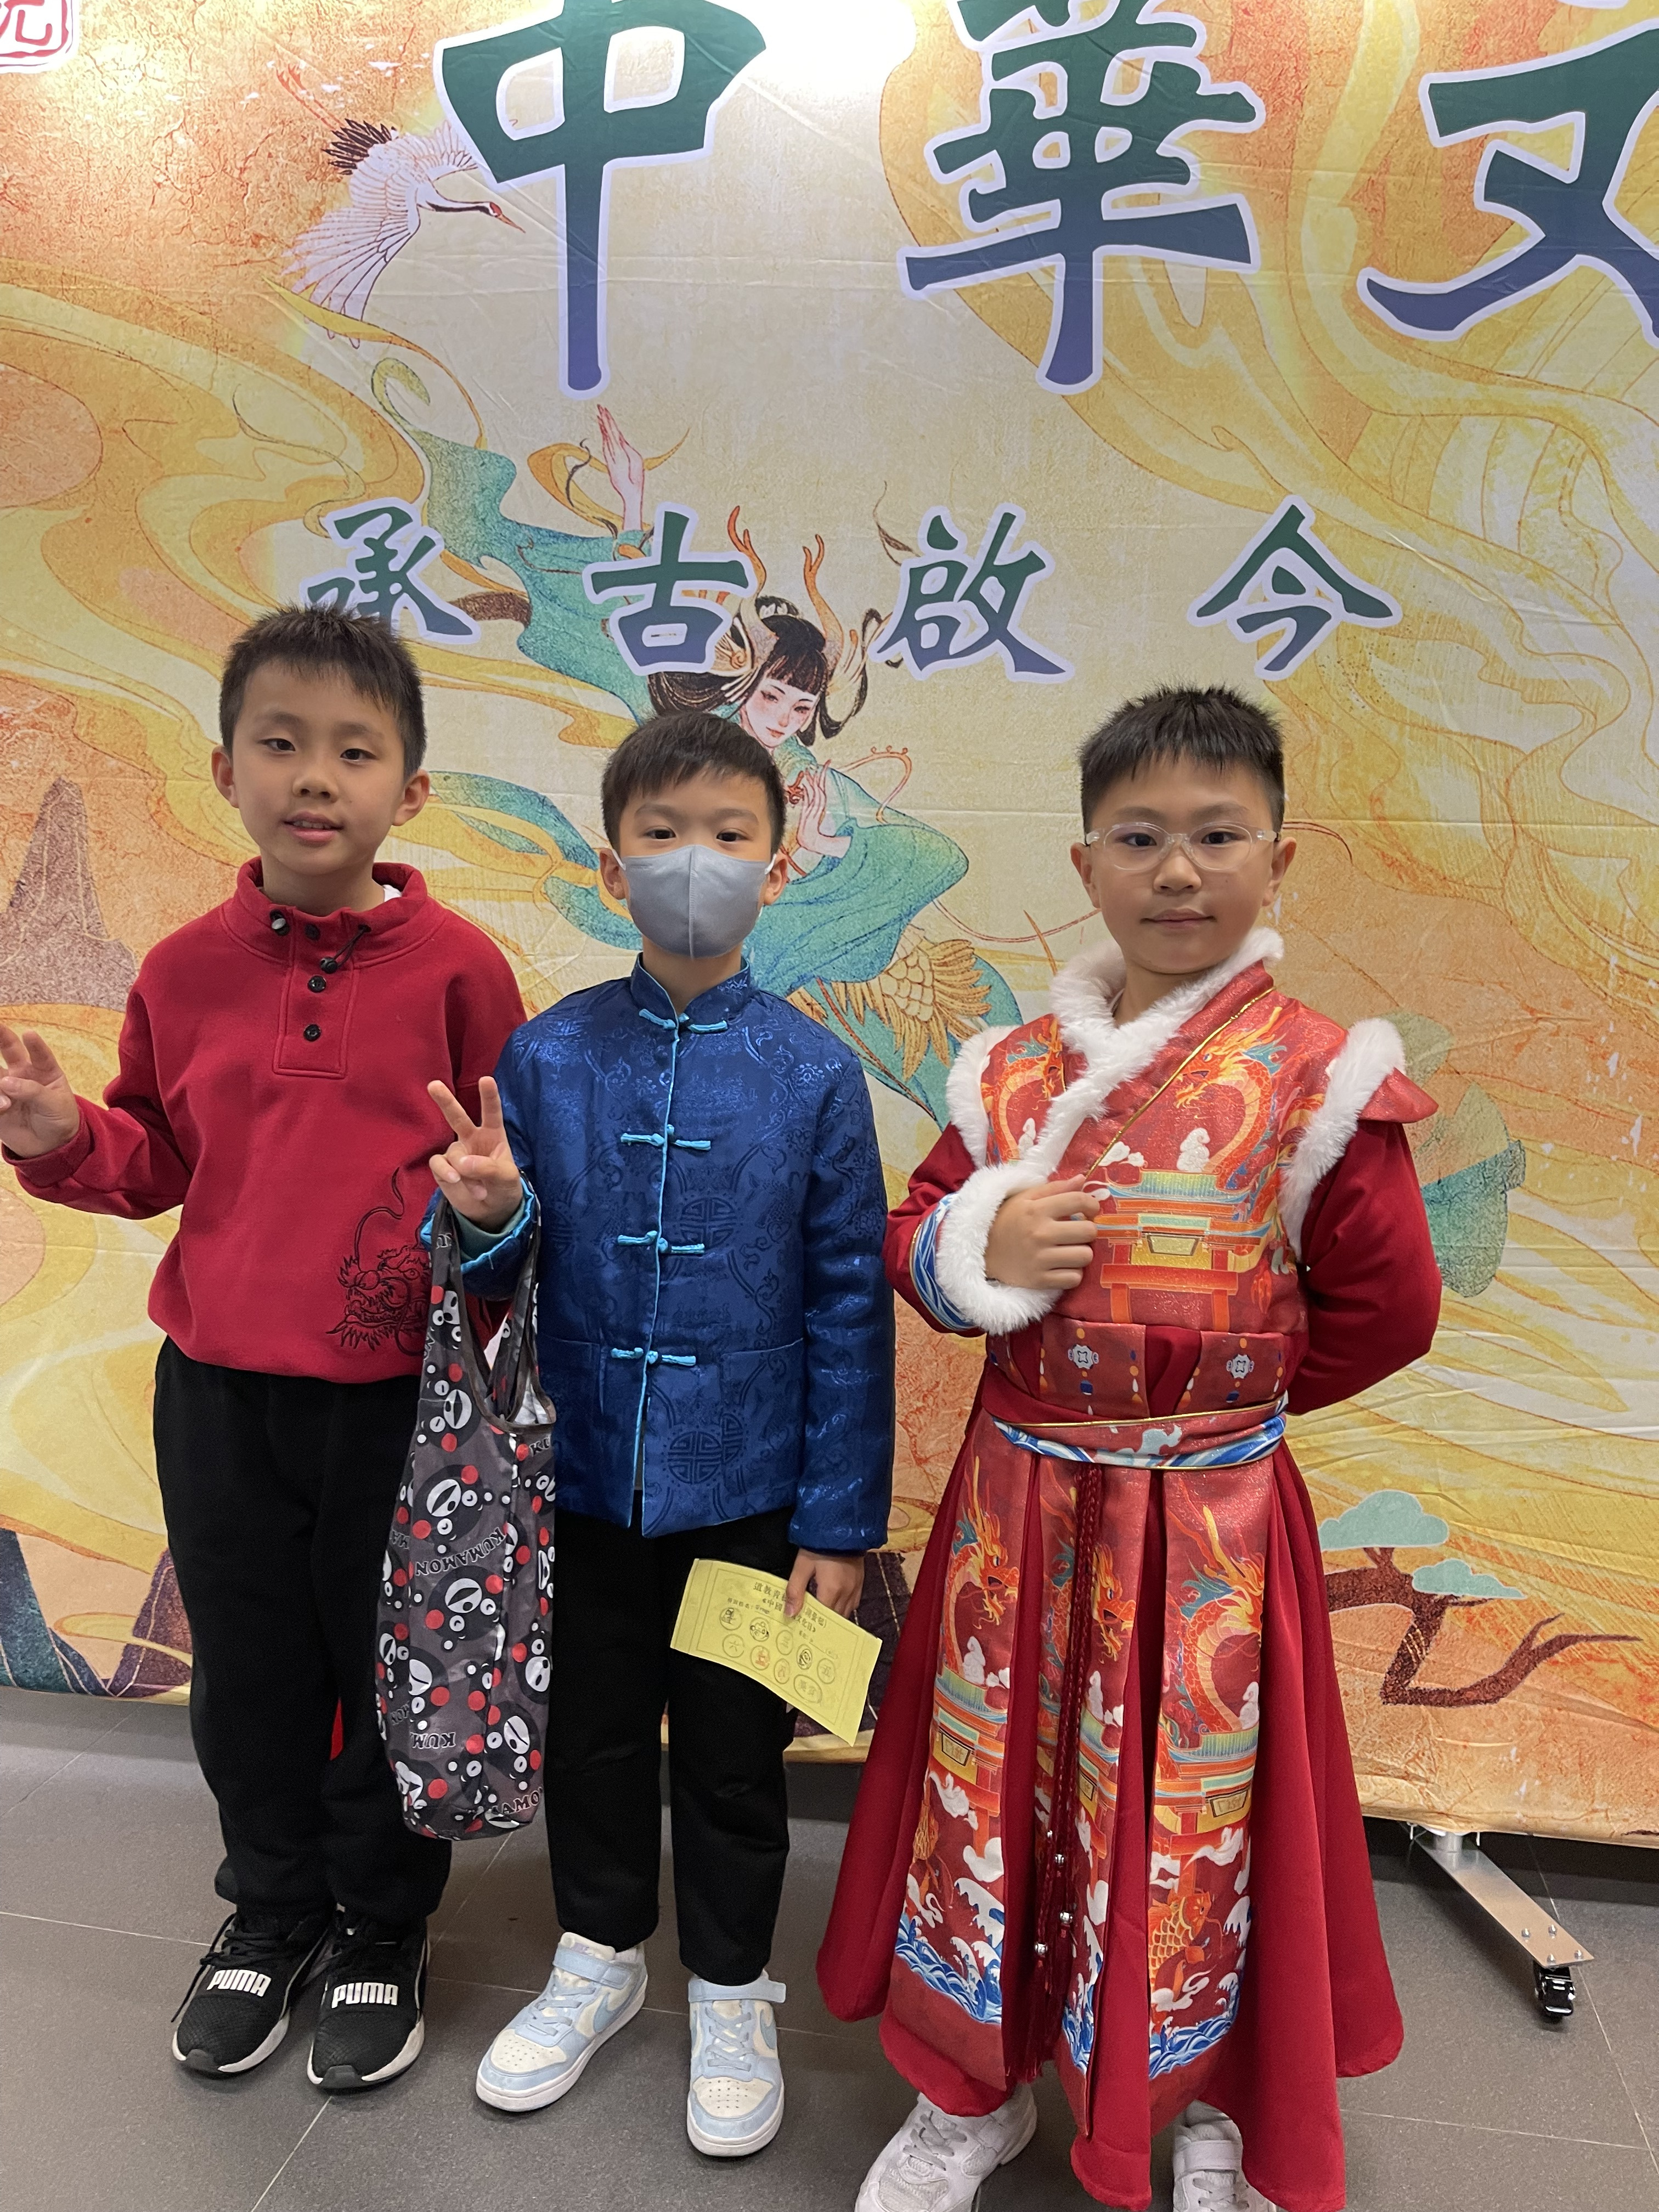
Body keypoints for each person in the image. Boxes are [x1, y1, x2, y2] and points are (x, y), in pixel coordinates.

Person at [818, 686, 1442, 2212]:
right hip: (1016, 1510)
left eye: (1218, 836)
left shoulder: (1320, 1078)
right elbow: (909, 1234)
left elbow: (1390, 1307)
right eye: (1141, 837)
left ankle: (1216, 2098)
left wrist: (1218, 1406)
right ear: (1085, 864)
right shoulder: (1008, 1074)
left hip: (1215, 1526)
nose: (1179, 870)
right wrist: (975, 1245)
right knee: (990, 1795)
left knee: (1202, 1817)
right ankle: (972, 2089)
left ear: (1280, 858)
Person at [0, 608, 525, 2091]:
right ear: (227, 769)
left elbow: (509, 1170)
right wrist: (60, 1134)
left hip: (400, 1400)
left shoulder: (463, 970)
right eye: (281, 744)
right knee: (247, 1666)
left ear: (410, 789)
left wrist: (499, 1203)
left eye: (355, 751)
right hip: (220, 1393)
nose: (315, 777)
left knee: (383, 1666)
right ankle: (273, 1908)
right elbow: (154, 1156)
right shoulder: (181, 971)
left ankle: (383, 1923)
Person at [423, 708, 894, 2157]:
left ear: (778, 864)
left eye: (730, 835)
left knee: (738, 1755)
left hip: (751, 1489)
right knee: (596, 1735)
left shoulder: (814, 1074)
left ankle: (735, 1987)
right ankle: (600, 1953)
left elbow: (850, 1304)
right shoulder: (550, 1054)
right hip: (579, 1481)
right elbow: (495, 1273)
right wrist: (488, 1218)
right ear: (614, 867)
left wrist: (839, 1522)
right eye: (664, 833)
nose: (699, 860)